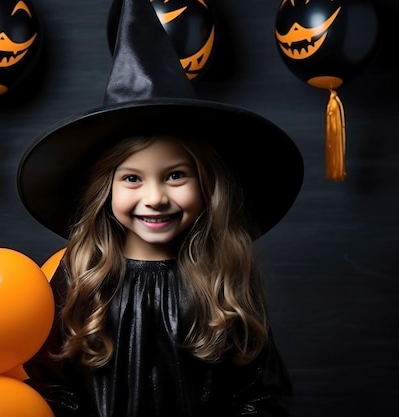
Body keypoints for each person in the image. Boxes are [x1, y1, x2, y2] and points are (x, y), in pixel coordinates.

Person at [16, 0, 304, 416]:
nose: (155, 197)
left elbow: (258, 394)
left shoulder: (223, 276)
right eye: (132, 178)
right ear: (105, 191)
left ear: (207, 186)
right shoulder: (80, 278)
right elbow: (52, 387)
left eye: (175, 176)